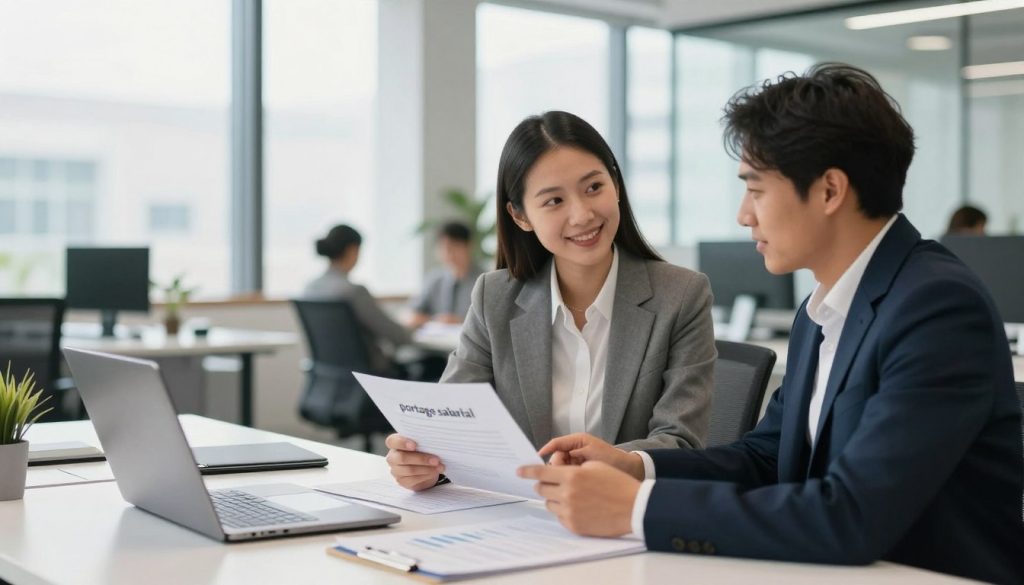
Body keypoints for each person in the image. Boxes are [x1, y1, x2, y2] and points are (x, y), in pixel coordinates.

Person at [518, 64, 1024, 585]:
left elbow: (851, 516)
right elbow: (766, 458)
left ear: (829, 191)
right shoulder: (822, 310)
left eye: (755, 190)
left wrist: (638, 508)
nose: (743, 215)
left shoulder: (936, 307)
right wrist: (637, 469)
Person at [385, 111, 717, 491]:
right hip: (515, 517)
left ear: (616, 183)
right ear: (520, 216)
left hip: (623, 516)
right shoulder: (495, 297)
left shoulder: (682, 295)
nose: (582, 214)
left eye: (594, 187)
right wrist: (421, 461)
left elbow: (682, 440)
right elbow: (451, 424)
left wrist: (621, 462)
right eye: (554, 201)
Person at [303, 224, 413, 377]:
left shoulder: (311, 289)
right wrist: (412, 328)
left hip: (329, 377)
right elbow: (397, 336)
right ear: (352, 250)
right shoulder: (354, 292)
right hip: (370, 377)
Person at [407, 221, 484, 328]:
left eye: (455, 246)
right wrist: (436, 320)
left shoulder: (485, 281)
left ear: (469, 246)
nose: (448, 253)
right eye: (443, 247)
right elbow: (410, 316)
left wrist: (460, 321)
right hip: (436, 342)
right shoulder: (434, 279)